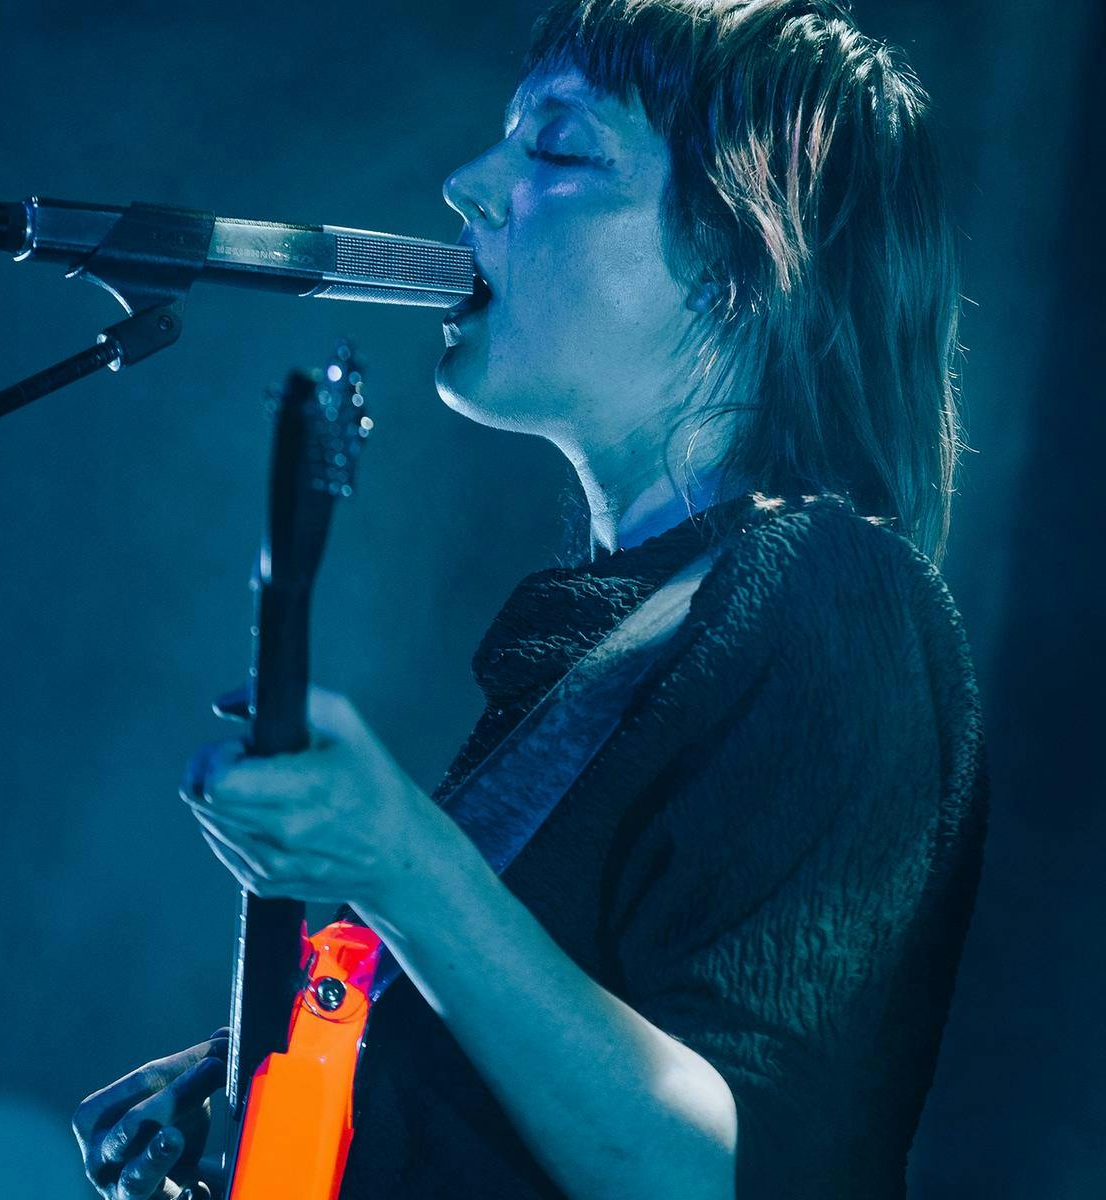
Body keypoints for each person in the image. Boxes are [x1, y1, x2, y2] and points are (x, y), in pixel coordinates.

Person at [72, 1, 989, 1197]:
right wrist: (312, 1078)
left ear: (738, 264)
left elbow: (741, 1176)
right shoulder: (620, 646)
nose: (465, 186)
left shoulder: (835, 600)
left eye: (560, 151)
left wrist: (408, 867)